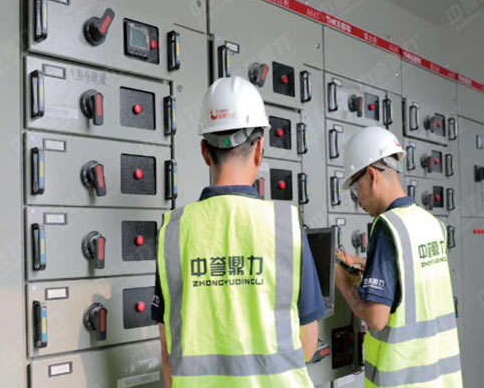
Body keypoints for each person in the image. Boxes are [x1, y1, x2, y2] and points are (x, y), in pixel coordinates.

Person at [151, 76, 325, 388]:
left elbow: (168, 351)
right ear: (259, 149)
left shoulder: (174, 231)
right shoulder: (285, 225)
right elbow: (308, 344)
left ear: (205, 151)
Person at [334, 126, 462, 388]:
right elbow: (409, 271)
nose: (359, 201)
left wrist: (343, 283)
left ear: (371, 175)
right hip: (440, 378)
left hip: (404, 380)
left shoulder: (386, 227)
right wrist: (360, 263)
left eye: (356, 189)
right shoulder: (430, 222)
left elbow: (376, 317)